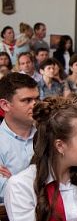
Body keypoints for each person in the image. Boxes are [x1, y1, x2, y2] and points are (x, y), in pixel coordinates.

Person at [0, 73, 38, 203]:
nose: (35, 105)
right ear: (5, 105)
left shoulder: (48, 135)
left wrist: (14, 182)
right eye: (27, 100)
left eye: (36, 99)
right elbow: (5, 192)